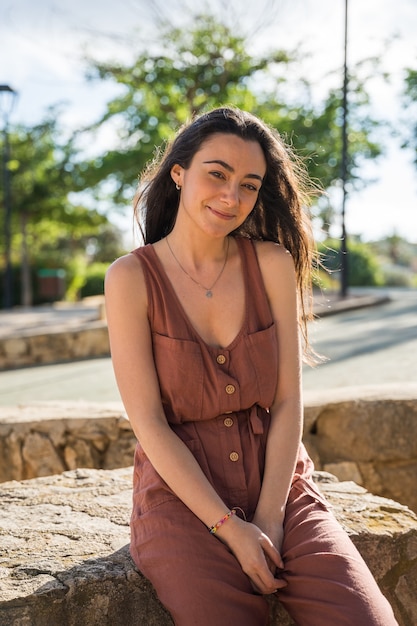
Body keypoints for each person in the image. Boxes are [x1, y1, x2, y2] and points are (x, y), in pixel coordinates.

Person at [105, 106, 398, 625]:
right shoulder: (130, 278)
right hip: (181, 499)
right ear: (179, 174)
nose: (231, 196)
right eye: (216, 174)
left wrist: (269, 518)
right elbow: (149, 423)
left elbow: (287, 400)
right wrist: (230, 527)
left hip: (279, 485)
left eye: (249, 184)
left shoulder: (271, 264)